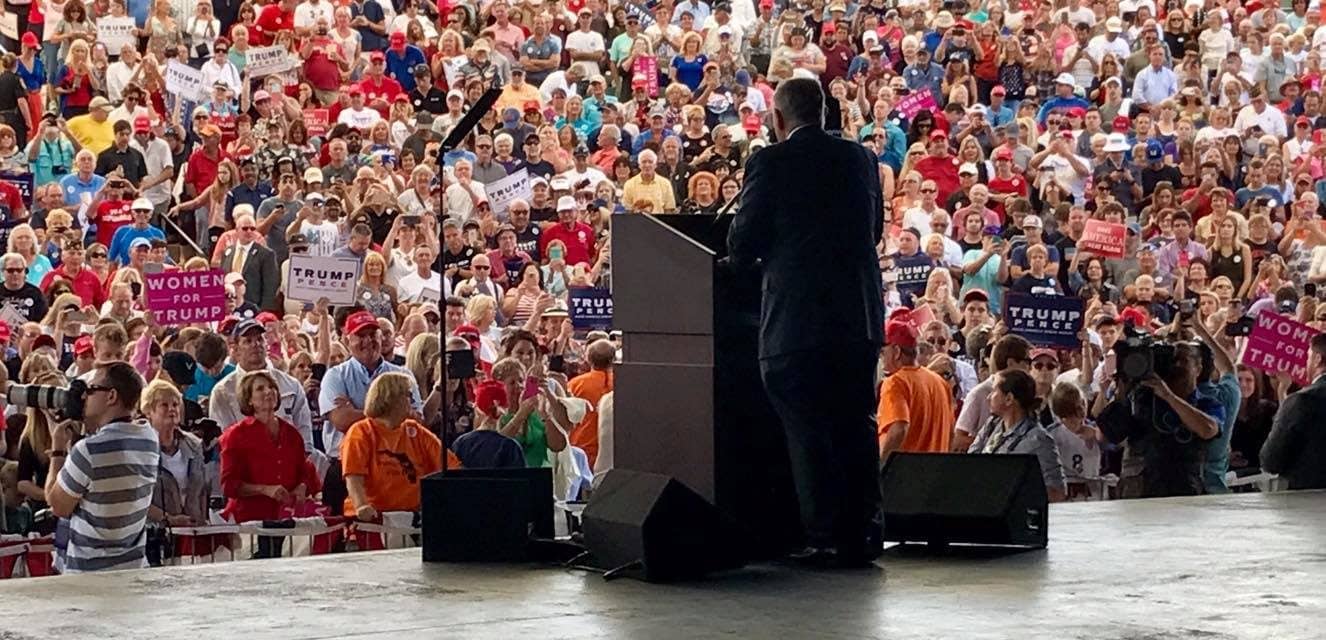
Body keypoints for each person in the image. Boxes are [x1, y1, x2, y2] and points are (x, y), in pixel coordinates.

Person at [726, 78, 883, 568]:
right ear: (825, 112)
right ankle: (864, 534)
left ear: (777, 119)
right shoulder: (860, 159)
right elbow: (874, 230)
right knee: (856, 425)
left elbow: (742, 243)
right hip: (857, 319)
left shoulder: (770, 162)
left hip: (797, 324)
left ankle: (825, 538)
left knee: (808, 430)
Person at [41, 361, 158, 573]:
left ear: (111, 396)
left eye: (91, 390)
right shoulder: (149, 438)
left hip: (89, 576)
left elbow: (58, 505)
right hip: (132, 569)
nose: (83, 397)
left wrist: (57, 450)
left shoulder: (88, 451)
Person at [218, 370, 321, 558]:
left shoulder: (291, 433)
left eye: (272, 387)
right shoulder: (235, 436)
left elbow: (305, 470)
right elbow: (229, 485)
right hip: (251, 526)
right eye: (260, 389)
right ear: (249, 400)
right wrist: (264, 490)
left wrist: (302, 486)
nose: (268, 391)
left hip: (288, 523)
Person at [342, 372, 453, 519]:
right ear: (392, 398)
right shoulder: (361, 432)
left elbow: (450, 466)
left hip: (413, 518)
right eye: (408, 395)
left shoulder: (416, 431)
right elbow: (353, 476)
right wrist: (361, 506)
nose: (412, 400)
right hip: (374, 520)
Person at [968, 369, 1067, 502]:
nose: (989, 397)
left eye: (994, 391)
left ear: (1009, 399)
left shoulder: (1038, 441)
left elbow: (1057, 492)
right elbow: (970, 462)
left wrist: (1012, 489)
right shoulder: (992, 425)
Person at [879, 312, 956, 457]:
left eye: (883, 352)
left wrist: (881, 465)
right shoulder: (940, 382)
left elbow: (899, 428)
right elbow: (951, 433)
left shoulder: (895, 382)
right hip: (936, 469)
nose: (882, 358)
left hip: (904, 470)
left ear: (896, 351)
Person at [1261, 334, 1326, 489]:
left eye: (1308, 357)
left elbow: (1270, 460)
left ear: (1317, 359)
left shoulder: (1303, 400)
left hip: (1309, 498)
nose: (1306, 362)